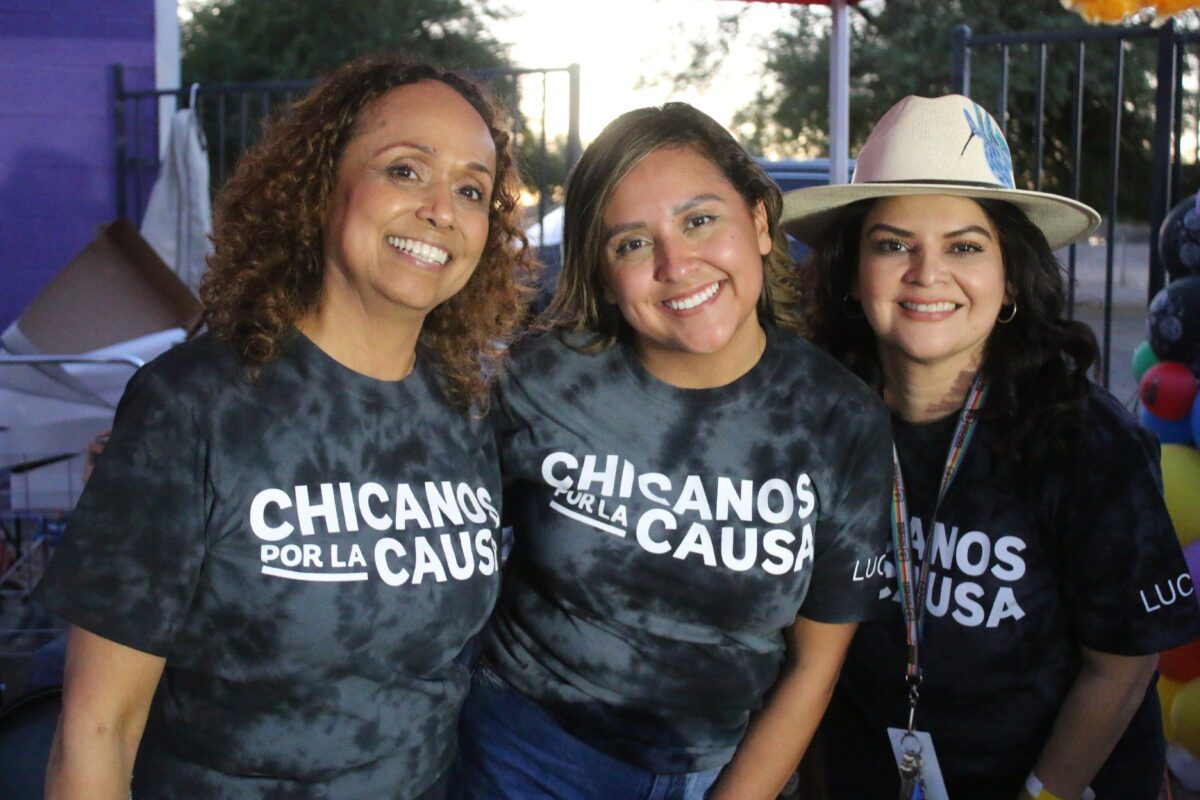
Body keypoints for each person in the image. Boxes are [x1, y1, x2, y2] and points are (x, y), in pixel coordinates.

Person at [34, 54, 535, 800]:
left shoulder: (465, 409)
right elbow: (98, 732)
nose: (441, 209)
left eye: (471, 189)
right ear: (320, 186)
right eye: (405, 170)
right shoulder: (194, 407)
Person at [453, 102, 893, 800]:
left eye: (699, 220)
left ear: (756, 221)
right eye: (631, 243)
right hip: (525, 757)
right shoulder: (540, 382)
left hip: (720, 768)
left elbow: (817, 661)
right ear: (601, 273)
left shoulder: (838, 419)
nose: (675, 264)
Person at [783, 94, 1200, 800]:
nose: (926, 272)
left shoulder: (1086, 440)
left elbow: (1122, 666)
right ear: (854, 273)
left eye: (965, 246)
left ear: (1009, 276)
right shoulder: (814, 426)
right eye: (893, 244)